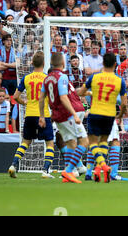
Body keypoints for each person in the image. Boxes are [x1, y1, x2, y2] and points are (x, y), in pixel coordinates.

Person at [77, 52, 128, 183]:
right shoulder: (119, 80)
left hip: (95, 113)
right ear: (115, 65)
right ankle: (102, 168)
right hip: (109, 115)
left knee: (93, 142)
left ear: (103, 63)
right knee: (105, 141)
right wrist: (120, 116)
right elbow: (124, 104)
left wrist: (87, 91)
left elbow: (81, 93)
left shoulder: (94, 77)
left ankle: (96, 168)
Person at [39, 52, 88, 184]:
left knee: (71, 143)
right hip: (68, 114)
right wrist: (74, 114)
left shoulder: (47, 79)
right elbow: (63, 97)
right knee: (84, 141)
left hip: (56, 116)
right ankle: (70, 169)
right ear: (63, 63)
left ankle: (71, 172)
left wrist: (42, 116)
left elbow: (41, 98)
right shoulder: (62, 77)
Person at [8, 52, 56, 179]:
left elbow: (15, 97)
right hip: (43, 115)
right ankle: (45, 170)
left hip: (29, 114)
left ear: (32, 63)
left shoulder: (26, 78)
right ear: (44, 63)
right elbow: (52, 98)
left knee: (25, 142)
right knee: (50, 143)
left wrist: (24, 102)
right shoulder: (47, 78)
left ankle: (13, 164)